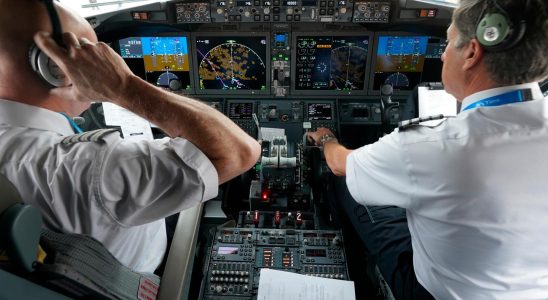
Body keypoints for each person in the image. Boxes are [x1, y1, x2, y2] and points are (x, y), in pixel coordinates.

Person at [308, 0, 548, 298]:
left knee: (345, 180)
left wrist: (327, 140)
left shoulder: (430, 144)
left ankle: (358, 270)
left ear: (472, 52)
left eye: (447, 42)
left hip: (431, 293)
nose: (443, 53)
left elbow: (340, 163)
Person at [0, 0, 260, 273]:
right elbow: (237, 151)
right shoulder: (87, 168)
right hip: (156, 273)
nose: (107, 62)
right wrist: (121, 85)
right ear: (55, 67)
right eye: (90, 56)